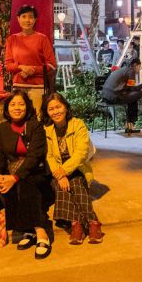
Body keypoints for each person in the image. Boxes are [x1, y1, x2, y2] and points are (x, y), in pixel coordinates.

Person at [0, 90, 53, 259]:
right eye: (13, 104)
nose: (17, 108)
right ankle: (27, 231)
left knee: (26, 183)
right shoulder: (2, 128)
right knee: (6, 188)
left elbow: (35, 157)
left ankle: (40, 232)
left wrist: (14, 178)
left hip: (37, 171)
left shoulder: (35, 126)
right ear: (7, 108)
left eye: (21, 104)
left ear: (27, 107)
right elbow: (1, 158)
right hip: (13, 171)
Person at [43, 93, 103, 245]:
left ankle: (76, 224)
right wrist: (60, 175)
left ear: (66, 107)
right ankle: (91, 223)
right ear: (47, 112)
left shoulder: (78, 124)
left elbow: (81, 153)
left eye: (58, 107)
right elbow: (49, 156)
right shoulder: (47, 130)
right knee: (64, 184)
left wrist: (64, 171)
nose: (55, 111)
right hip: (57, 172)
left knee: (75, 181)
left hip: (78, 168)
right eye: (51, 109)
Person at [4, 4, 56, 115]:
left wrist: (32, 70)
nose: (27, 20)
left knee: (37, 119)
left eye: (31, 17)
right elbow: (8, 65)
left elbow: (52, 65)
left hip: (38, 88)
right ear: (18, 18)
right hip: (18, 87)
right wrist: (21, 67)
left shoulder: (42, 39)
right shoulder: (11, 39)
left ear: (35, 20)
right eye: (24, 16)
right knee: (18, 117)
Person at [101, 56, 142, 134]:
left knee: (132, 101)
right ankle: (130, 125)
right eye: (139, 66)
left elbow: (128, 88)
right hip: (113, 97)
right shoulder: (131, 71)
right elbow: (132, 89)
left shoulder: (123, 69)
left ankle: (129, 127)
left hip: (105, 97)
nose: (139, 69)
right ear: (135, 65)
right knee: (138, 94)